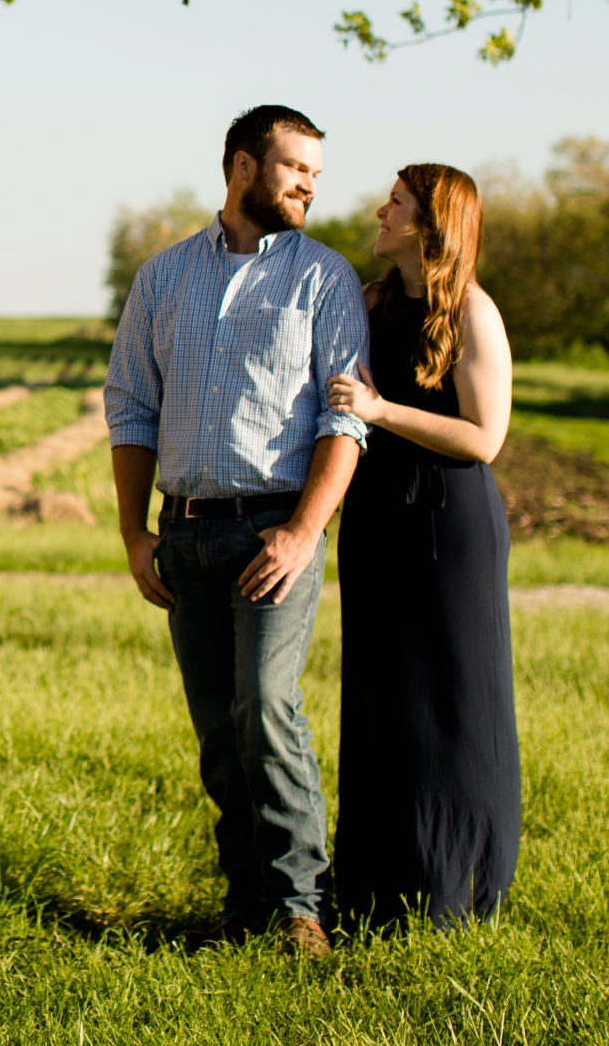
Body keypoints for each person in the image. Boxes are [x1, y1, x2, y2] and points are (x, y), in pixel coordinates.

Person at [106, 105, 369, 958]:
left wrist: (301, 532)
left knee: (267, 702)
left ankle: (302, 907)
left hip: (273, 532)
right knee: (219, 727)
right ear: (242, 166)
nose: (308, 186)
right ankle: (245, 903)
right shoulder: (161, 279)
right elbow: (131, 409)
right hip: (183, 535)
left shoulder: (324, 279)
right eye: (296, 167)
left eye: (315, 175)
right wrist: (134, 535)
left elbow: (346, 423)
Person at [326, 165, 520, 929]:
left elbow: (485, 438)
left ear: (431, 224)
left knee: (455, 700)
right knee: (381, 698)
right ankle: (376, 889)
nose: (380, 210)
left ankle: (458, 891)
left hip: (450, 526)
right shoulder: (368, 303)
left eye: (396, 203)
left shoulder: (474, 311)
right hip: (373, 518)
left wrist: (381, 409)